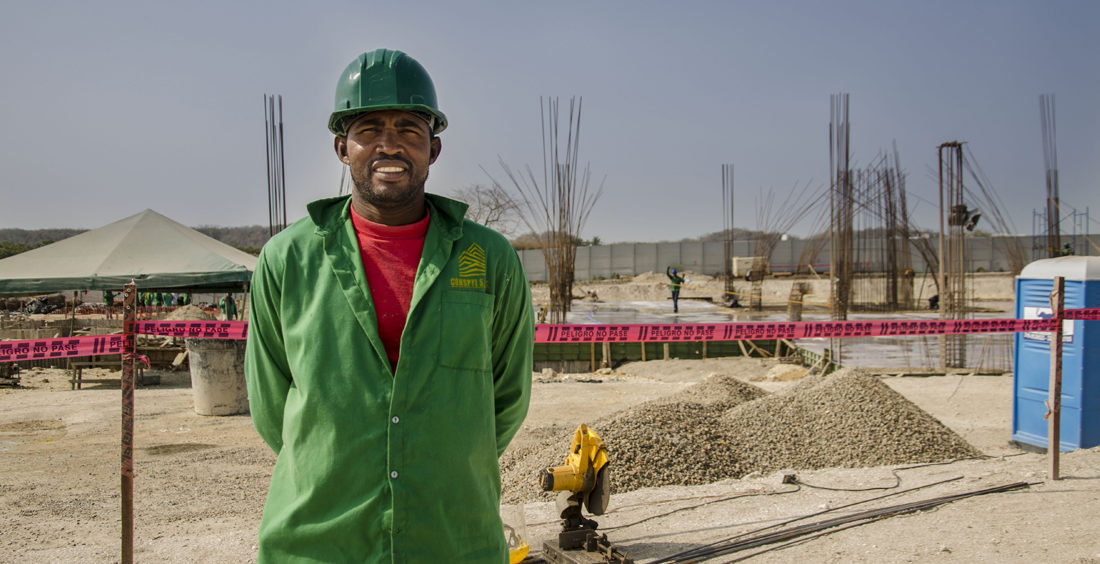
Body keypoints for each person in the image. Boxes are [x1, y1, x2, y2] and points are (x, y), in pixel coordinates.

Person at [244, 48, 534, 563]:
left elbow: (507, 396)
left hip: (452, 536)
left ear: (434, 149)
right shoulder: (286, 260)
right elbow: (271, 405)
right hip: (318, 541)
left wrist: (447, 461)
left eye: (408, 129)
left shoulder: (487, 259)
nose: (389, 145)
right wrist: (329, 464)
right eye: (369, 129)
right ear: (341, 147)